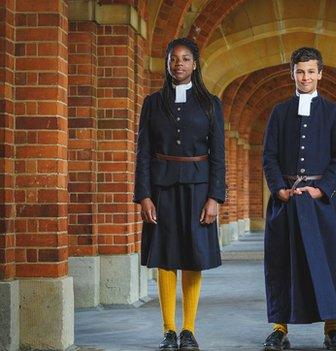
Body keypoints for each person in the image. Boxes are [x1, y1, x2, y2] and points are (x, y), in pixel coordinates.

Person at [133, 37, 225, 351]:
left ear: (195, 64)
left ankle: (188, 330)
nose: (179, 64)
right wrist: (144, 195)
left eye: (186, 59)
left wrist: (215, 196)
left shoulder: (211, 103)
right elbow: (142, 153)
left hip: (199, 190)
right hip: (161, 189)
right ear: (168, 63)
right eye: (174, 59)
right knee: (166, 257)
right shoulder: (152, 103)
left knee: (193, 258)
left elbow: (218, 155)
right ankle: (169, 330)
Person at [262, 47, 336, 351]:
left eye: (311, 71)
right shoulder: (279, 111)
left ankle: (332, 328)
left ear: (320, 74)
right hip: (285, 201)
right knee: (281, 264)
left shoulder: (333, 112)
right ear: (292, 74)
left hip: (319, 202)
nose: (305, 77)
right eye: (300, 71)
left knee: (328, 264)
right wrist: (278, 189)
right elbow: (269, 156)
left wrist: (322, 189)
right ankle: (279, 328)